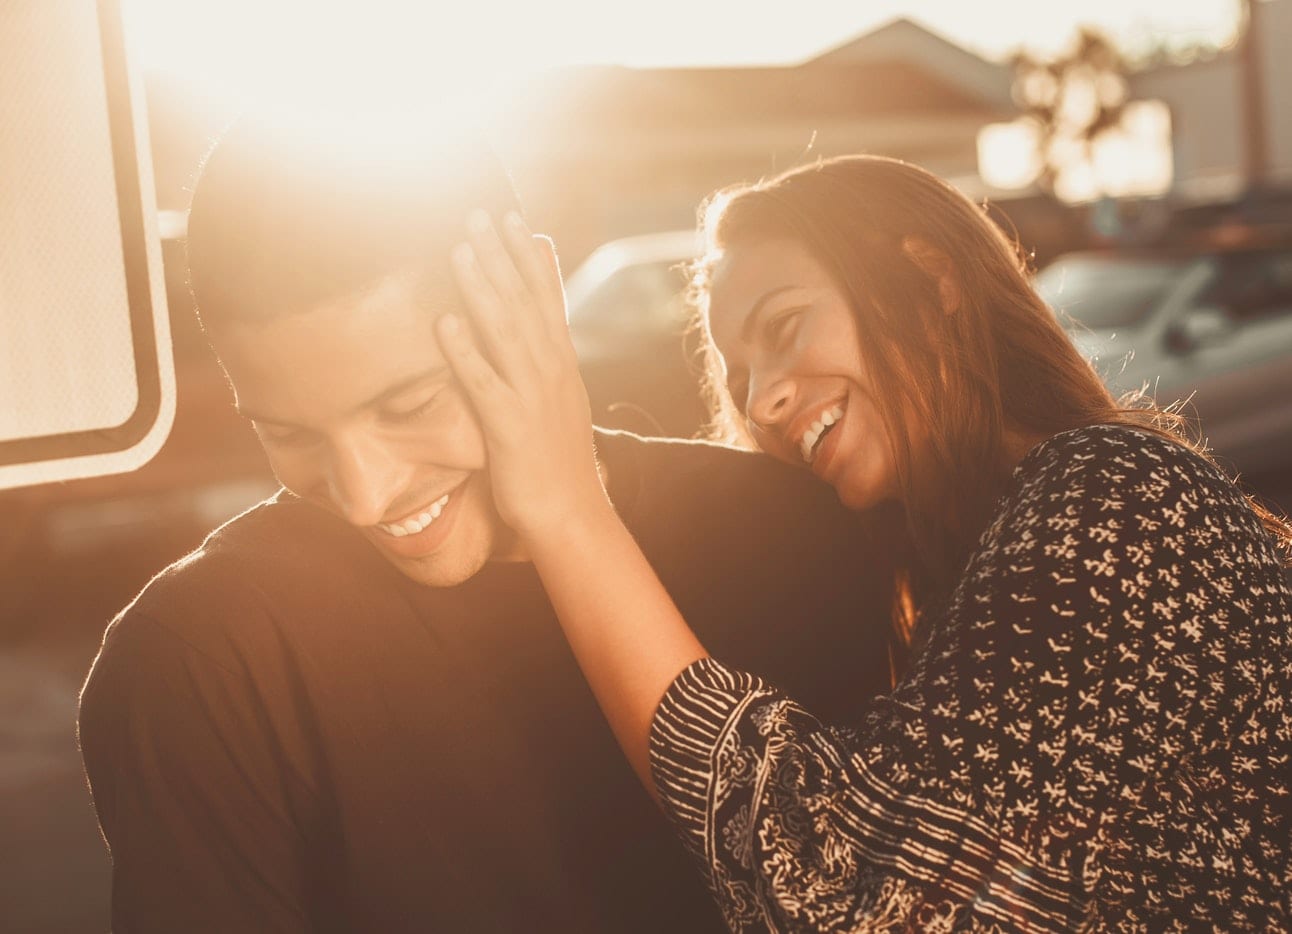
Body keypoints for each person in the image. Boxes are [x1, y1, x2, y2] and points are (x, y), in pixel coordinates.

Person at [75, 116, 907, 932]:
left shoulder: (789, 536)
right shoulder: (197, 665)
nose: (365, 495)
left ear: (532, 301)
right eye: (287, 433)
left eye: (408, 405)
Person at [437, 154, 1292, 931]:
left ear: (931, 278)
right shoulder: (958, 580)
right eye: (740, 381)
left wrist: (567, 507)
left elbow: (851, 892)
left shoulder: (1118, 497)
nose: (765, 400)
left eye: (785, 327)